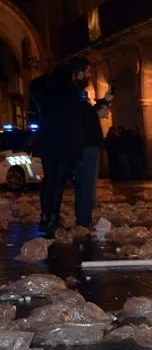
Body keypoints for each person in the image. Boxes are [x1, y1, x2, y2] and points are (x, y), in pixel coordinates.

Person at [30, 63, 82, 237]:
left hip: (46, 139)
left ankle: (45, 216)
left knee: (48, 179)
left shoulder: (45, 90)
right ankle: (54, 215)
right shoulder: (70, 92)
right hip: (62, 141)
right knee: (58, 181)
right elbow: (74, 119)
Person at [71, 57, 112, 228]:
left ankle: (84, 220)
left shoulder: (79, 93)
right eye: (88, 71)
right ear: (79, 73)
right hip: (86, 145)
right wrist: (96, 114)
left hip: (87, 144)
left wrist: (105, 101)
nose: (90, 75)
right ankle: (84, 222)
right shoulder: (74, 93)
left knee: (86, 187)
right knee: (86, 187)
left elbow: (85, 114)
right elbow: (79, 118)